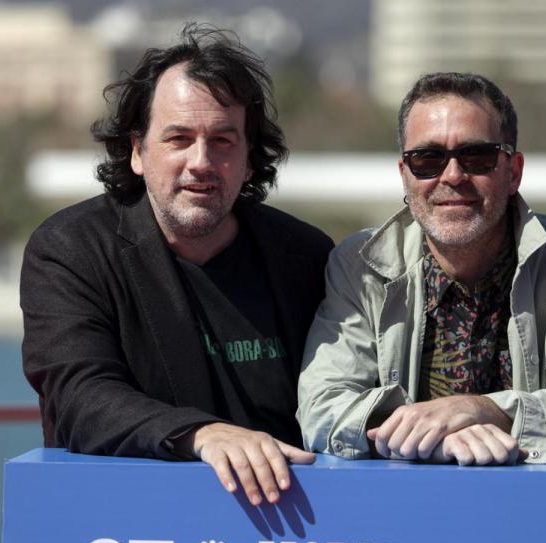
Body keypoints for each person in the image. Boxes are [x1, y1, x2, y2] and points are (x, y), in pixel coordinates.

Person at [21, 25, 333, 507]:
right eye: (179, 138)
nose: (201, 161)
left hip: (293, 531)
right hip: (127, 528)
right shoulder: (71, 249)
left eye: (224, 140)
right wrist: (201, 435)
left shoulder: (305, 256)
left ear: (251, 158)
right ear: (137, 151)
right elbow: (78, 398)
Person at [297, 72, 546, 466]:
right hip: (396, 517)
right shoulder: (359, 265)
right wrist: (431, 434)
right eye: (427, 159)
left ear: (513, 172)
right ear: (404, 174)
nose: (452, 175)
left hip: (535, 517)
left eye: (477, 156)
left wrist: (482, 410)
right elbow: (321, 409)